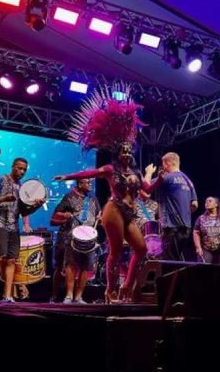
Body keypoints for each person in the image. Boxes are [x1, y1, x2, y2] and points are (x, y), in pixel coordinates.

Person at [55, 86, 152, 303]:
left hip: (129, 213)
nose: (126, 153)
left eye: (129, 151)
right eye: (123, 151)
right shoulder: (110, 169)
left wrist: (160, 178)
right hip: (113, 209)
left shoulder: (136, 172)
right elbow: (90, 173)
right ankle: (110, 290)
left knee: (141, 249)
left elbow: (148, 190)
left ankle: (126, 286)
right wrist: (68, 176)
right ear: (117, 154)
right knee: (115, 252)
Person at [0, 158, 44, 303]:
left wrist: (37, 205)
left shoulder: (21, 187)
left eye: (24, 169)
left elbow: (23, 211)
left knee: (11, 260)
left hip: (13, 227)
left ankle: (7, 296)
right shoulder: (0, 180)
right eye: (19, 168)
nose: (22, 171)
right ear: (13, 166)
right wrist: (2, 198)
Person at [50, 178, 101, 303]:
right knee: (67, 265)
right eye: (87, 182)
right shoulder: (69, 197)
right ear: (80, 184)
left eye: (90, 182)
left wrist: (101, 219)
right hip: (70, 237)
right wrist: (65, 215)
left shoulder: (93, 199)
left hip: (88, 239)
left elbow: (98, 215)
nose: (90, 184)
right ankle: (61, 296)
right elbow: (55, 215)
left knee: (85, 266)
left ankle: (78, 297)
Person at [144, 152, 198, 261]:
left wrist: (149, 172)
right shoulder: (188, 181)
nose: (163, 166)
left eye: (163, 164)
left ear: (168, 163)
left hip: (172, 228)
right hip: (186, 228)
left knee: (170, 262)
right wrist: (182, 212)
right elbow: (194, 205)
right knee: (178, 258)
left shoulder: (168, 177)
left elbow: (146, 187)